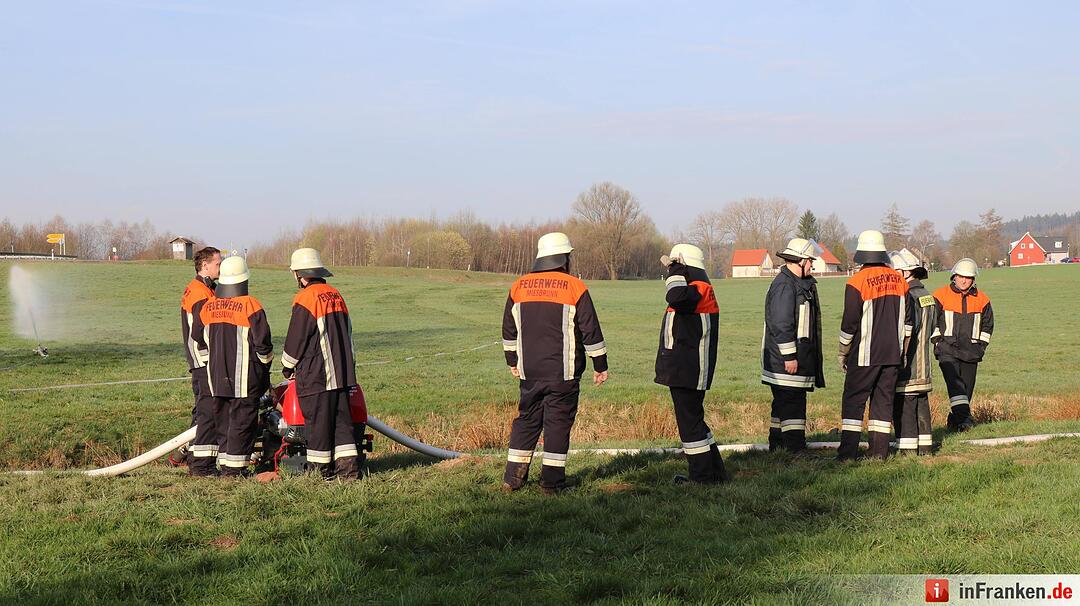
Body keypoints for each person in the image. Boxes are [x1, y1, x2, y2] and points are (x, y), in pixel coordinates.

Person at [501, 232, 608, 495]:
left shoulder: (519, 286)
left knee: (527, 419)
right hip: (563, 373)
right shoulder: (575, 287)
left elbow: (508, 330)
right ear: (564, 259)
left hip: (530, 372)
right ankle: (551, 483)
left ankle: (512, 479)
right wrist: (600, 365)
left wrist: (512, 361)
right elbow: (590, 330)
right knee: (557, 423)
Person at [281, 248, 362, 479]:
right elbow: (348, 333)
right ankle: (348, 474)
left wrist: (287, 366)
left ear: (299, 274)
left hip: (316, 376)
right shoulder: (335, 294)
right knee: (342, 427)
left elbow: (297, 338)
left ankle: (321, 475)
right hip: (342, 375)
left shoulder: (306, 298)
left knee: (318, 429)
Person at [191, 255, 273, 477]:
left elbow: (198, 340)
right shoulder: (250, 305)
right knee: (242, 423)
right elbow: (263, 345)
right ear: (243, 280)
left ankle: (227, 467)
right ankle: (234, 471)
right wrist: (264, 369)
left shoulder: (207, 307)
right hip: (245, 380)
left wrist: (211, 365)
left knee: (223, 423)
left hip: (216, 380)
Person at [837, 230, 913, 461]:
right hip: (893, 355)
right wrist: (903, 353)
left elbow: (849, 324)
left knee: (854, 402)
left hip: (864, 355)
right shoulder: (900, 281)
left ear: (861, 255)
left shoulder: (856, 282)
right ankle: (879, 453)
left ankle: (848, 454)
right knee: (883, 404)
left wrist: (843, 353)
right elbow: (908, 324)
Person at [655, 243, 728, 483]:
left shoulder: (695, 289)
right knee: (695, 421)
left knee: (690, 426)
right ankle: (715, 472)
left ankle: (702, 478)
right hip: (690, 368)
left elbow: (674, 296)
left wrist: (675, 271)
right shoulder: (698, 289)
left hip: (687, 369)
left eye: (675, 267)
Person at [761, 238, 825, 453]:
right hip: (786, 363)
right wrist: (789, 356)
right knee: (792, 406)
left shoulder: (796, 284)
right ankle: (795, 451)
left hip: (794, 360)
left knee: (782, 405)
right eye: (810, 261)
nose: (812, 265)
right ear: (800, 261)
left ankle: (778, 448)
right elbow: (781, 323)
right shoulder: (785, 286)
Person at [932, 258, 994, 432]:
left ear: (973, 279)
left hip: (971, 352)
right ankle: (965, 421)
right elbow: (931, 322)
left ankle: (955, 420)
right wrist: (938, 342)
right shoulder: (940, 295)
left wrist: (981, 346)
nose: (964, 280)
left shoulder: (983, 299)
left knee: (966, 388)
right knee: (955, 385)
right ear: (954, 276)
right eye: (960, 276)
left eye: (968, 277)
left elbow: (988, 326)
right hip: (947, 350)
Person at [175, 246, 220, 469]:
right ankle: (200, 464)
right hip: (204, 361)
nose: (220, 268)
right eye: (218, 264)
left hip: (199, 361)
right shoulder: (201, 293)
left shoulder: (200, 289)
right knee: (207, 409)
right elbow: (202, 331)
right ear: (205, 266)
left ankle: (188, 456)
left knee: (202, 409)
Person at [889, 249, 937, 455]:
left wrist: (899, 359)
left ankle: (907, 450)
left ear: (905, 273)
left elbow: (907, 331)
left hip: (908, 364)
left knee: (905, 405)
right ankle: (925, 447)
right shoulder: (927, 295)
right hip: (924, 364)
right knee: (921, 403)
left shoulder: (907, 296)